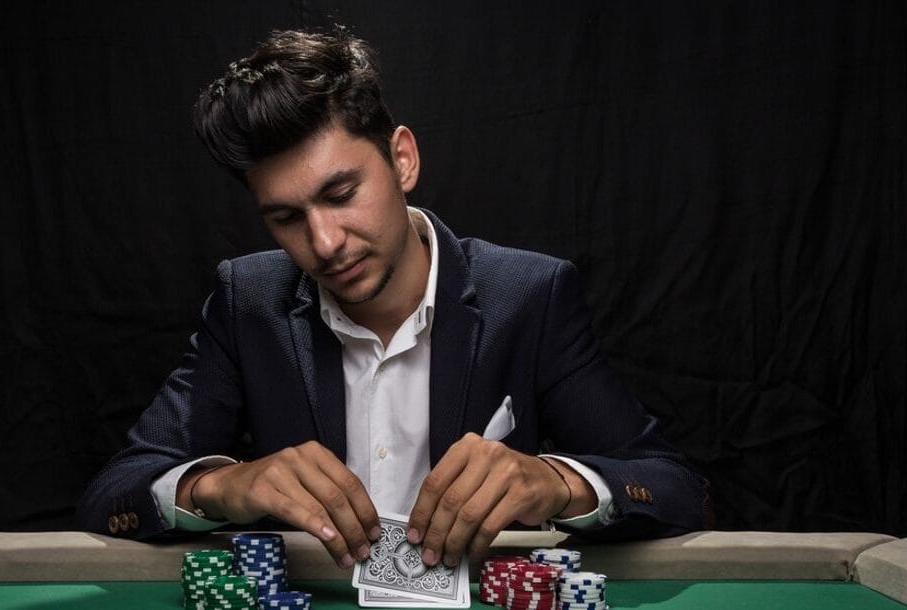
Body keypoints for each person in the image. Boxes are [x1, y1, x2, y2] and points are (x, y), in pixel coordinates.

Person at [76, 26, 711, 570]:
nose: (324, 243)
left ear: (402, 160)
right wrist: (220, 485)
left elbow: (677, 490)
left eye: (341, 194)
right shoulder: (248, 300)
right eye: (286, 217)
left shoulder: (531, 295)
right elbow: (114, 494)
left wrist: (555, 482)